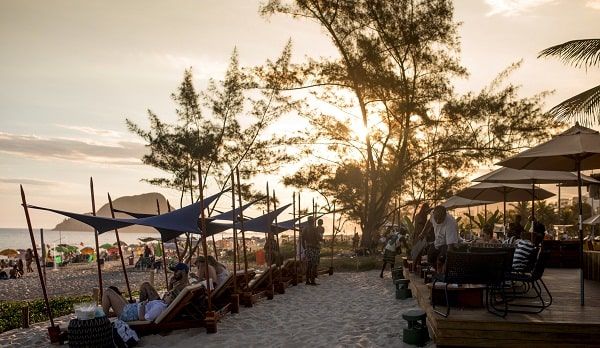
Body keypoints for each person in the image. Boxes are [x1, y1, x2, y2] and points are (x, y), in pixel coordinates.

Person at [427, 205, 459, 270]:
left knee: (441, 259)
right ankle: (437, 271)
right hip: (438, 241)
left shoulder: (450, 223)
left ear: (445, 215)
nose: (438, 221)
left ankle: (442, 272)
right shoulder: (432, 215)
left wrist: (446, 264)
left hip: (448, 244)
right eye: (436, 218)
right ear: (433, 214)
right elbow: (429, 222)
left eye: (440, 218)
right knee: (430, 257)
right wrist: (423, 233)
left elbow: (450, 247)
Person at [301, 216, 322, 286]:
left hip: (308, 248)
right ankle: (312, 281)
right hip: (314, 248)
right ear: (313, 221)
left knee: (309, 265)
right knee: (314, 265)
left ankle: (307, 280)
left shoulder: (305, 229)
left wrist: (305, 248)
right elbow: (318, 238)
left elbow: (302, 240)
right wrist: (322, 241)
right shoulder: (314, 228)